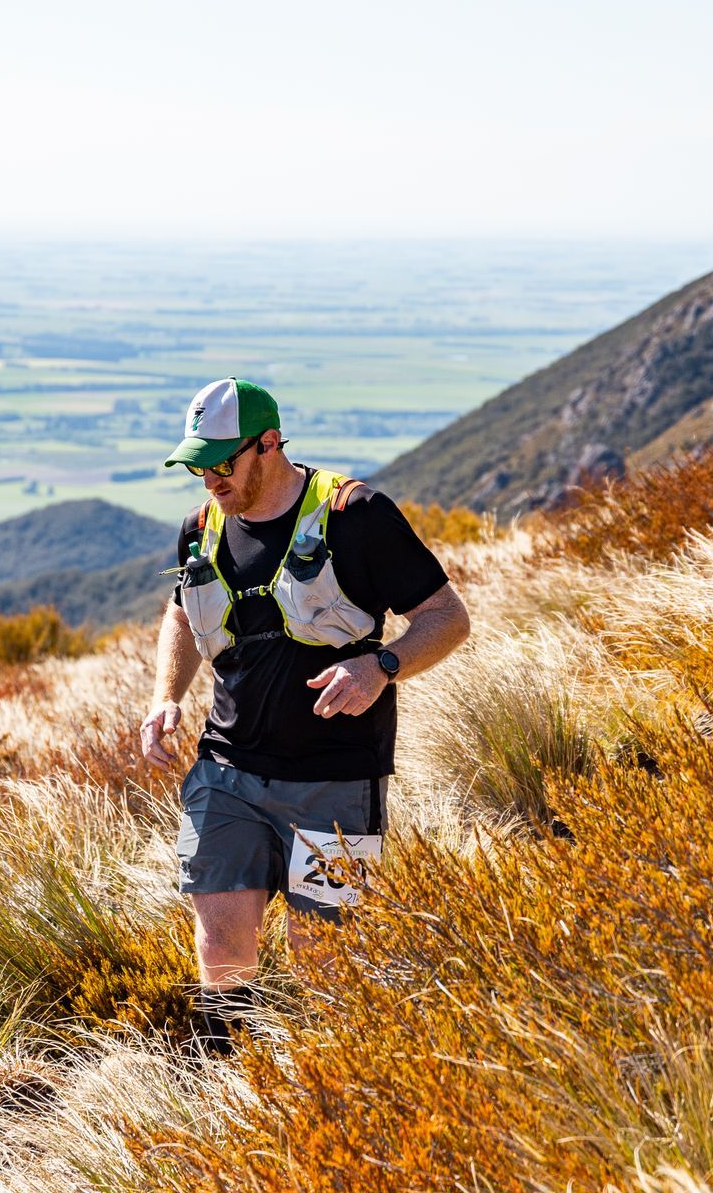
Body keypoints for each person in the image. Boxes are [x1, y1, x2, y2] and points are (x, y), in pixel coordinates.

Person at [138, 376, 470, 1053]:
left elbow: (447, 617)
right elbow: (181, 614)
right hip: (226, 773)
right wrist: (166, 696)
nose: (211, 480)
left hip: (337, 781)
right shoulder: (200, 529)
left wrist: (380, 666)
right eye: (198, 466)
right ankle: (226, 1080)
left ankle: (323, 1083)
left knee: (324, 955)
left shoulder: (357, 516)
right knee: (221, 946)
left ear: (269, 444)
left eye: (222, 463)